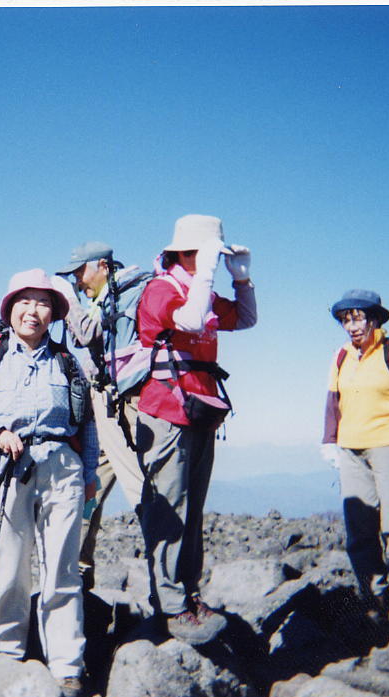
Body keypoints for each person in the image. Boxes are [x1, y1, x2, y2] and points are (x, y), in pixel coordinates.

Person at [0, 269, 90, 697]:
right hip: (4, 468)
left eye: (43, 303)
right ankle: (6, 655)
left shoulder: (69, 362)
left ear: (54, 313)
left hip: (62, 469)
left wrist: (88, 476)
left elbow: (87, 425)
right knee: (7, 565)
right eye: (24, 301)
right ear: (10, 308)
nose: (33, 310)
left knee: (62, 568)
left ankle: (67, 666)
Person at [134, 214, 256, 644]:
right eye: (208, 255)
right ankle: (170, 606)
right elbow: (188, 320)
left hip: (201, 409)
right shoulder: (162, 289)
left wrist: (242, 279)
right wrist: (204, 273)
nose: (214, 264)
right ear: (188, 253)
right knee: (170, 508)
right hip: (167, 411)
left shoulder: (200, 289)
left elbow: (245, 318)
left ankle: (189, 593)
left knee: (194, 508)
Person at [320, 289, 389, 629]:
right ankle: (374, 593)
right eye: (345, 320)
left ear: (375, 319)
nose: (351, 326)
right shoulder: (341, 356)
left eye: (357, 318)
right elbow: (333, 402)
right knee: (359, 525)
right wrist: (329, 441)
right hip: (351, 449)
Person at [53, 242, 149, 588]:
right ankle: (78, 567)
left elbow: (86, 333)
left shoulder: (121, 296)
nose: (78, 281)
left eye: (80, 273)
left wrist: (67, 299)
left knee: (138, 487)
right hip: (105, 407)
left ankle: (169, 581)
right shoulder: (107, 297)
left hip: (122, 408)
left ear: (103, 266)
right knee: (87, 488)